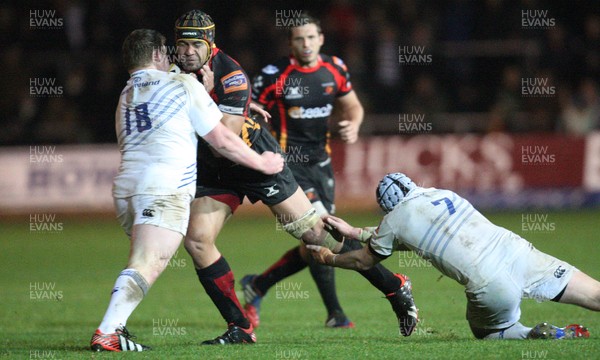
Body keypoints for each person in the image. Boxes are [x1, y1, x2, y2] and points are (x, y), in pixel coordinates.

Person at [173, 10, 417, 344]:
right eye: (181, 44)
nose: (186, 52)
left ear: (210, 43)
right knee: (198, 241)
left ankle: (394, 287)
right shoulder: (176, 71)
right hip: (218, 172)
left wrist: (212, 98)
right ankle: (240, 328)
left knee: (319, 239)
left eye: (193, 44)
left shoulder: (230, 76)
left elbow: (224, 142)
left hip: (258, 161)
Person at [90, 29, 284, 352]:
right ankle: (108, 332)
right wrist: (262, 163)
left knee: (141, 261)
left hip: (126, 190)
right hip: (162, 189)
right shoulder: (182, 84)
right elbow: (222, 140)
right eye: (166, 53)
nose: (171, 58)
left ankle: (116, 329)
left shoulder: (125, 94)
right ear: (155, 56)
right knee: (147, 263)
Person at [241, 13, 415, 334]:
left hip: (322, 166)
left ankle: (258, 285)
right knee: (326, 232)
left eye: (310, 37)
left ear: (321, 39)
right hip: (289, 169)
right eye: (298, 39)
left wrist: (355, 124)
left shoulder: (334, 68)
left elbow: (354, 106)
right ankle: (373, 296)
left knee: (313, 243)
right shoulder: (274, 75)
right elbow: (244, 111)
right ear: (290, 43)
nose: (305, 44)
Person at [309, 172, 599, 340]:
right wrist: (354, 230)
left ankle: (533, 334)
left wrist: (328, 259)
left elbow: (364, 260)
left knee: (486, 332)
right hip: (518, 252)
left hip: (490, 283)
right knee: (595, 294)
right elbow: (409, 238)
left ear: (387, 208)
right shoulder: (440, 193)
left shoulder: (395, 220)